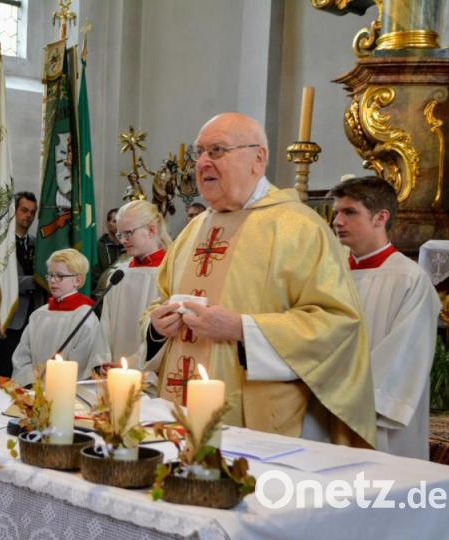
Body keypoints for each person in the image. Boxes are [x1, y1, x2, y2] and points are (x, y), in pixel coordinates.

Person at [144, 112, 375, 448]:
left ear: (258, 158)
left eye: (218, 150)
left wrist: (242, 328)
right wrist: (155, 326)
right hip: (176, 410)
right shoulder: (193, 230)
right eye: (200, 153)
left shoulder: (298, 227)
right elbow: (159, 300)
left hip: (257, 423)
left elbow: (337, 323)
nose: (203, 163)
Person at [330, 176, 441, 458]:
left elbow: (404, 355)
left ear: (381, 217)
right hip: (325, 406)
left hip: (374, 415)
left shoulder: (409, 279)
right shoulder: (330, 273)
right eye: (337, 212)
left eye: (349, 212)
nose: (337, 221)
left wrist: (351, 399)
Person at [11, 249, 109, 387]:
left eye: (59, 276)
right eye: (50, 275)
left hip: (64, 391)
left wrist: (54, 387)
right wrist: (30, 383)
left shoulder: (85, 317)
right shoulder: (39, 314)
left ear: (77, 280)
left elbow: (80, 363)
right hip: (33, 390)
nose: (52, 281)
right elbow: (22, 356)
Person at [99, 199, 170, 371]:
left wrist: (133, 364)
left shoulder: (170, 274)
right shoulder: (118, 275)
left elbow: (165, 331)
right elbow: (104, 326)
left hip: (151, 373)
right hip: (114, 370)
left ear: (151, 230)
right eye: (119, 234)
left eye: (128, 233)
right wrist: (105, 360)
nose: (122, 240)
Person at [0, 192, 47, 378]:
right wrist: (36, 280)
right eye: (24, 210)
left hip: (35, 315)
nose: (29, 216)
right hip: (12, 317)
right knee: (6, 369)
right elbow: (4, 280)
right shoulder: (3, 244)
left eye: (32, 212)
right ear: (14, 211)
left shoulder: (38, 244)